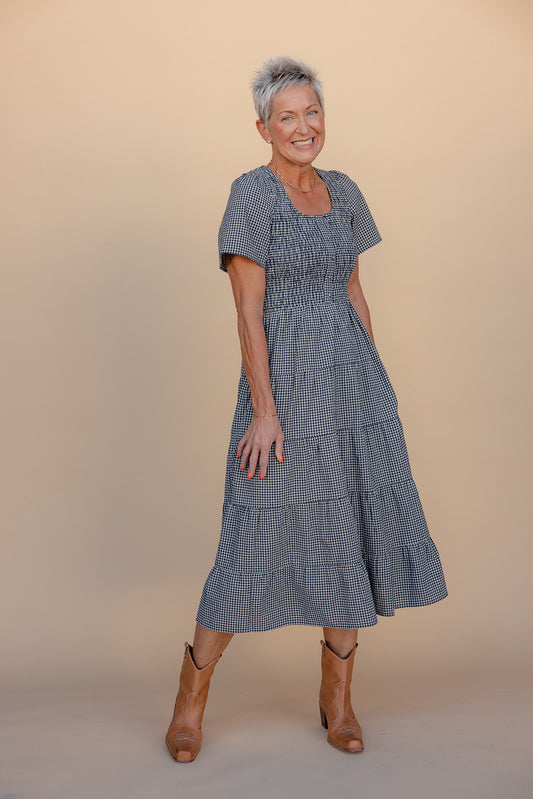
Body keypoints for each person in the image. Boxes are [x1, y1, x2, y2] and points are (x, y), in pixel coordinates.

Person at [165, 56, 448, 762]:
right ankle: (190, 699)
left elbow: (353, 290)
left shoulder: (345, 191)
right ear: (261, 126)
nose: (302, 126)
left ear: (324, 117)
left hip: (353, 386)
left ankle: (337, 698)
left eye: (311, 112)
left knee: (347, 534)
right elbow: (248, 312)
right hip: (284, 386)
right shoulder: (250, 196)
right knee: (249, 541)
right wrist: (264, 410)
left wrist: (376, 386)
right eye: (286, 116)